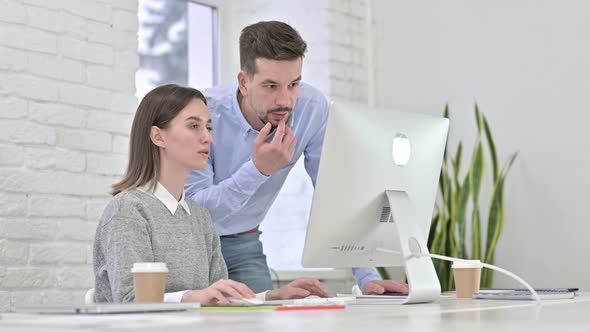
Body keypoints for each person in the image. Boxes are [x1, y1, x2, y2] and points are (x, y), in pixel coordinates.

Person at [185, 21, 409, 295]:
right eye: (270, 86)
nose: (286, 100)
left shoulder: (311, 109)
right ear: (244, 83)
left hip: (245, 241)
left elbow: (333, 195)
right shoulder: (204, 113)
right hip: (191, 244)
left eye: (293, 84)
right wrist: (258, 170)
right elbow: (196, 213)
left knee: (260, 322)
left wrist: (367, 277)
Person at [93, 84, 329, 303]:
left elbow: (217, 298)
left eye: (208, 127)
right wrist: (194, 297)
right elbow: (129, 299)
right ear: (158, 136)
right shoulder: (128, 210)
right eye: (194, 126)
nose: (208, 137)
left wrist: (272, 296)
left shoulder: (200, 217)